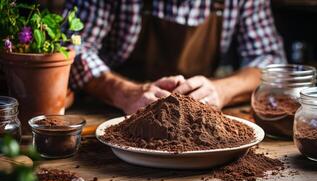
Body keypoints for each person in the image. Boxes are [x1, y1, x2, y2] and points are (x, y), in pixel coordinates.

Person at [64, 0, 286, 114]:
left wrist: (221, 91)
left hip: (202, 116)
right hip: (110, 113)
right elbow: (71, 48)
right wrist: (126, 93)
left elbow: (269, 59)